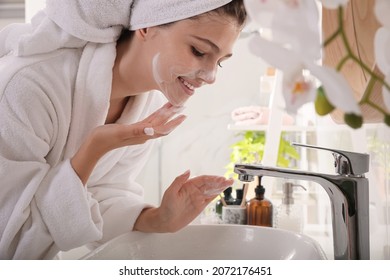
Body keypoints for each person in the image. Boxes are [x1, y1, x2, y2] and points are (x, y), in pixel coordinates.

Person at [0, 0, 247, 259]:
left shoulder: (148, 104)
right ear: (147, 27)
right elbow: (11, 241)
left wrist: (159, 218)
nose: (210, 77)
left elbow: (101, 194)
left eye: (220, 62)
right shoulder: (27, 88)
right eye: (198, 51)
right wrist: (95, 147)